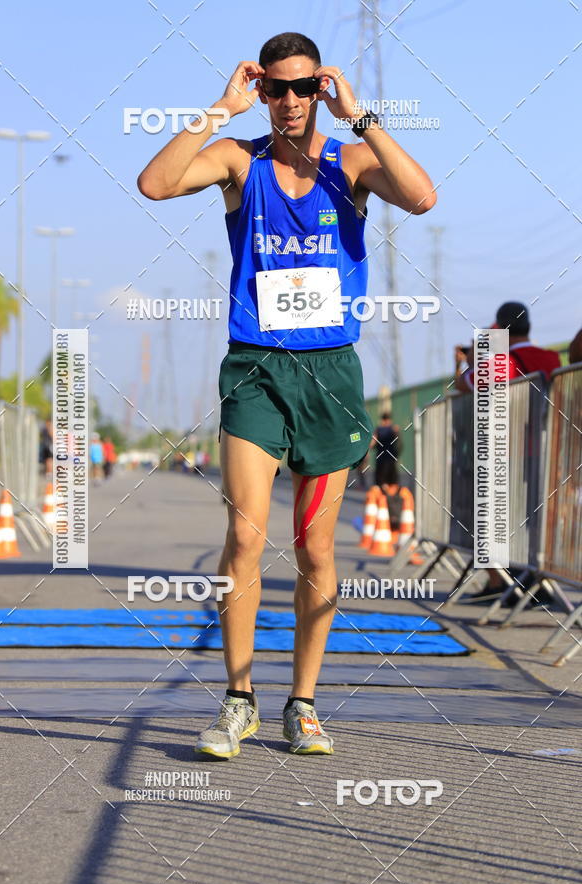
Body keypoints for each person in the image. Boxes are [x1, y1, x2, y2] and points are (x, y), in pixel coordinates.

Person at [138, 31, 436, 758]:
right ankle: (238, 699)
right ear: (263, 90)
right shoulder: (242, 160)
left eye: (306, 88)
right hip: (255, 371)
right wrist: (219, 107)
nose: (292, 101)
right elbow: (155, 184)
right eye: (278, 88)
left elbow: (423, 197)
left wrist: (361, 117)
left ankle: (302, 704)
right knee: (244, 536)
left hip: (330, 377)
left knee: (315, 549)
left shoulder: (352, 161)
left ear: (321, 92)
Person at [455, 301, 562, 602]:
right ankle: (537, 582)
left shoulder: (503, 360)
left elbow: (465, 384)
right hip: (550, 451)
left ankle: (500, 584)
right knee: (536, 521)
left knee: (492, 517)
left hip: (509, 452)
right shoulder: (552, 357)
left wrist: (481, 349)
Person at [370, 412, 402, 488]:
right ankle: (391, 498)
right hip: (391, 458)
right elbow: (399, 444)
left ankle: (383, 497)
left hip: (381, 459)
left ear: (382, 419)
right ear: (390, 419)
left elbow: (372, 444)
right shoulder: (394, 429)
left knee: (381, 483)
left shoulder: (378, 429)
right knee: (393, 483)